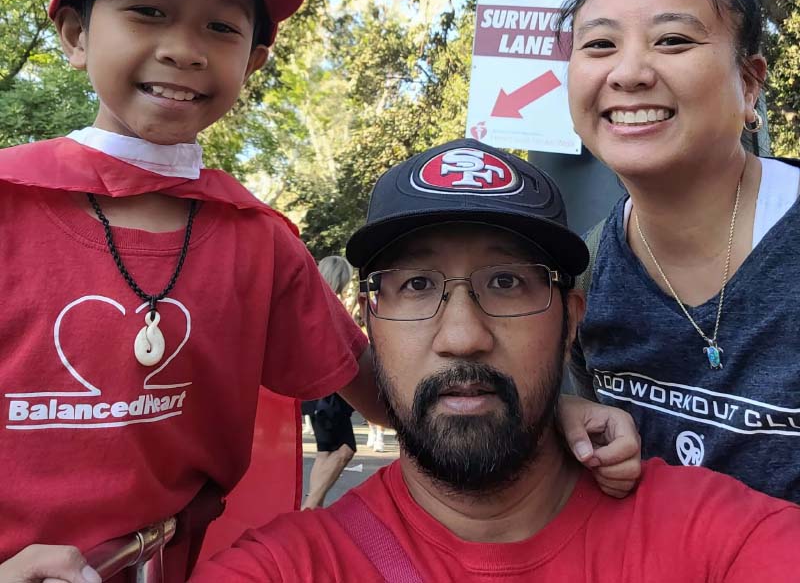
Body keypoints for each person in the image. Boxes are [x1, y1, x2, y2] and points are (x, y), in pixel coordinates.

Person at [186, 139, 799, 581]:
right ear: (369, 320)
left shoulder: (716, 537)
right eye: (417, 285)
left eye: (507, 282)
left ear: (571, 321)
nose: (462, 336)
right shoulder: (290, 567)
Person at [0, 0, 386, 580]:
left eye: (221, 26)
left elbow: (383, 391)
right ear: (74, 32)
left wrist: (543, 413)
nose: (184, 48)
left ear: (255, 60)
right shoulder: (9, 202)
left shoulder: (260, 242)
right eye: (148, 11)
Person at [563, 0, 800, 502]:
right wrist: (564, 417)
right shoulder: (584, 273)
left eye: (672, 41)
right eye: (599, 45)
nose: (629, 72)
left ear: (749, 86)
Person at [302, 256, 358, 510]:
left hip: (314, 390)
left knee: (325, 451)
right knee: (345, 449)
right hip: (332, 391)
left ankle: (314, 507)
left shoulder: (308, 306)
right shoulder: (331, 308)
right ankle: (309, 509)